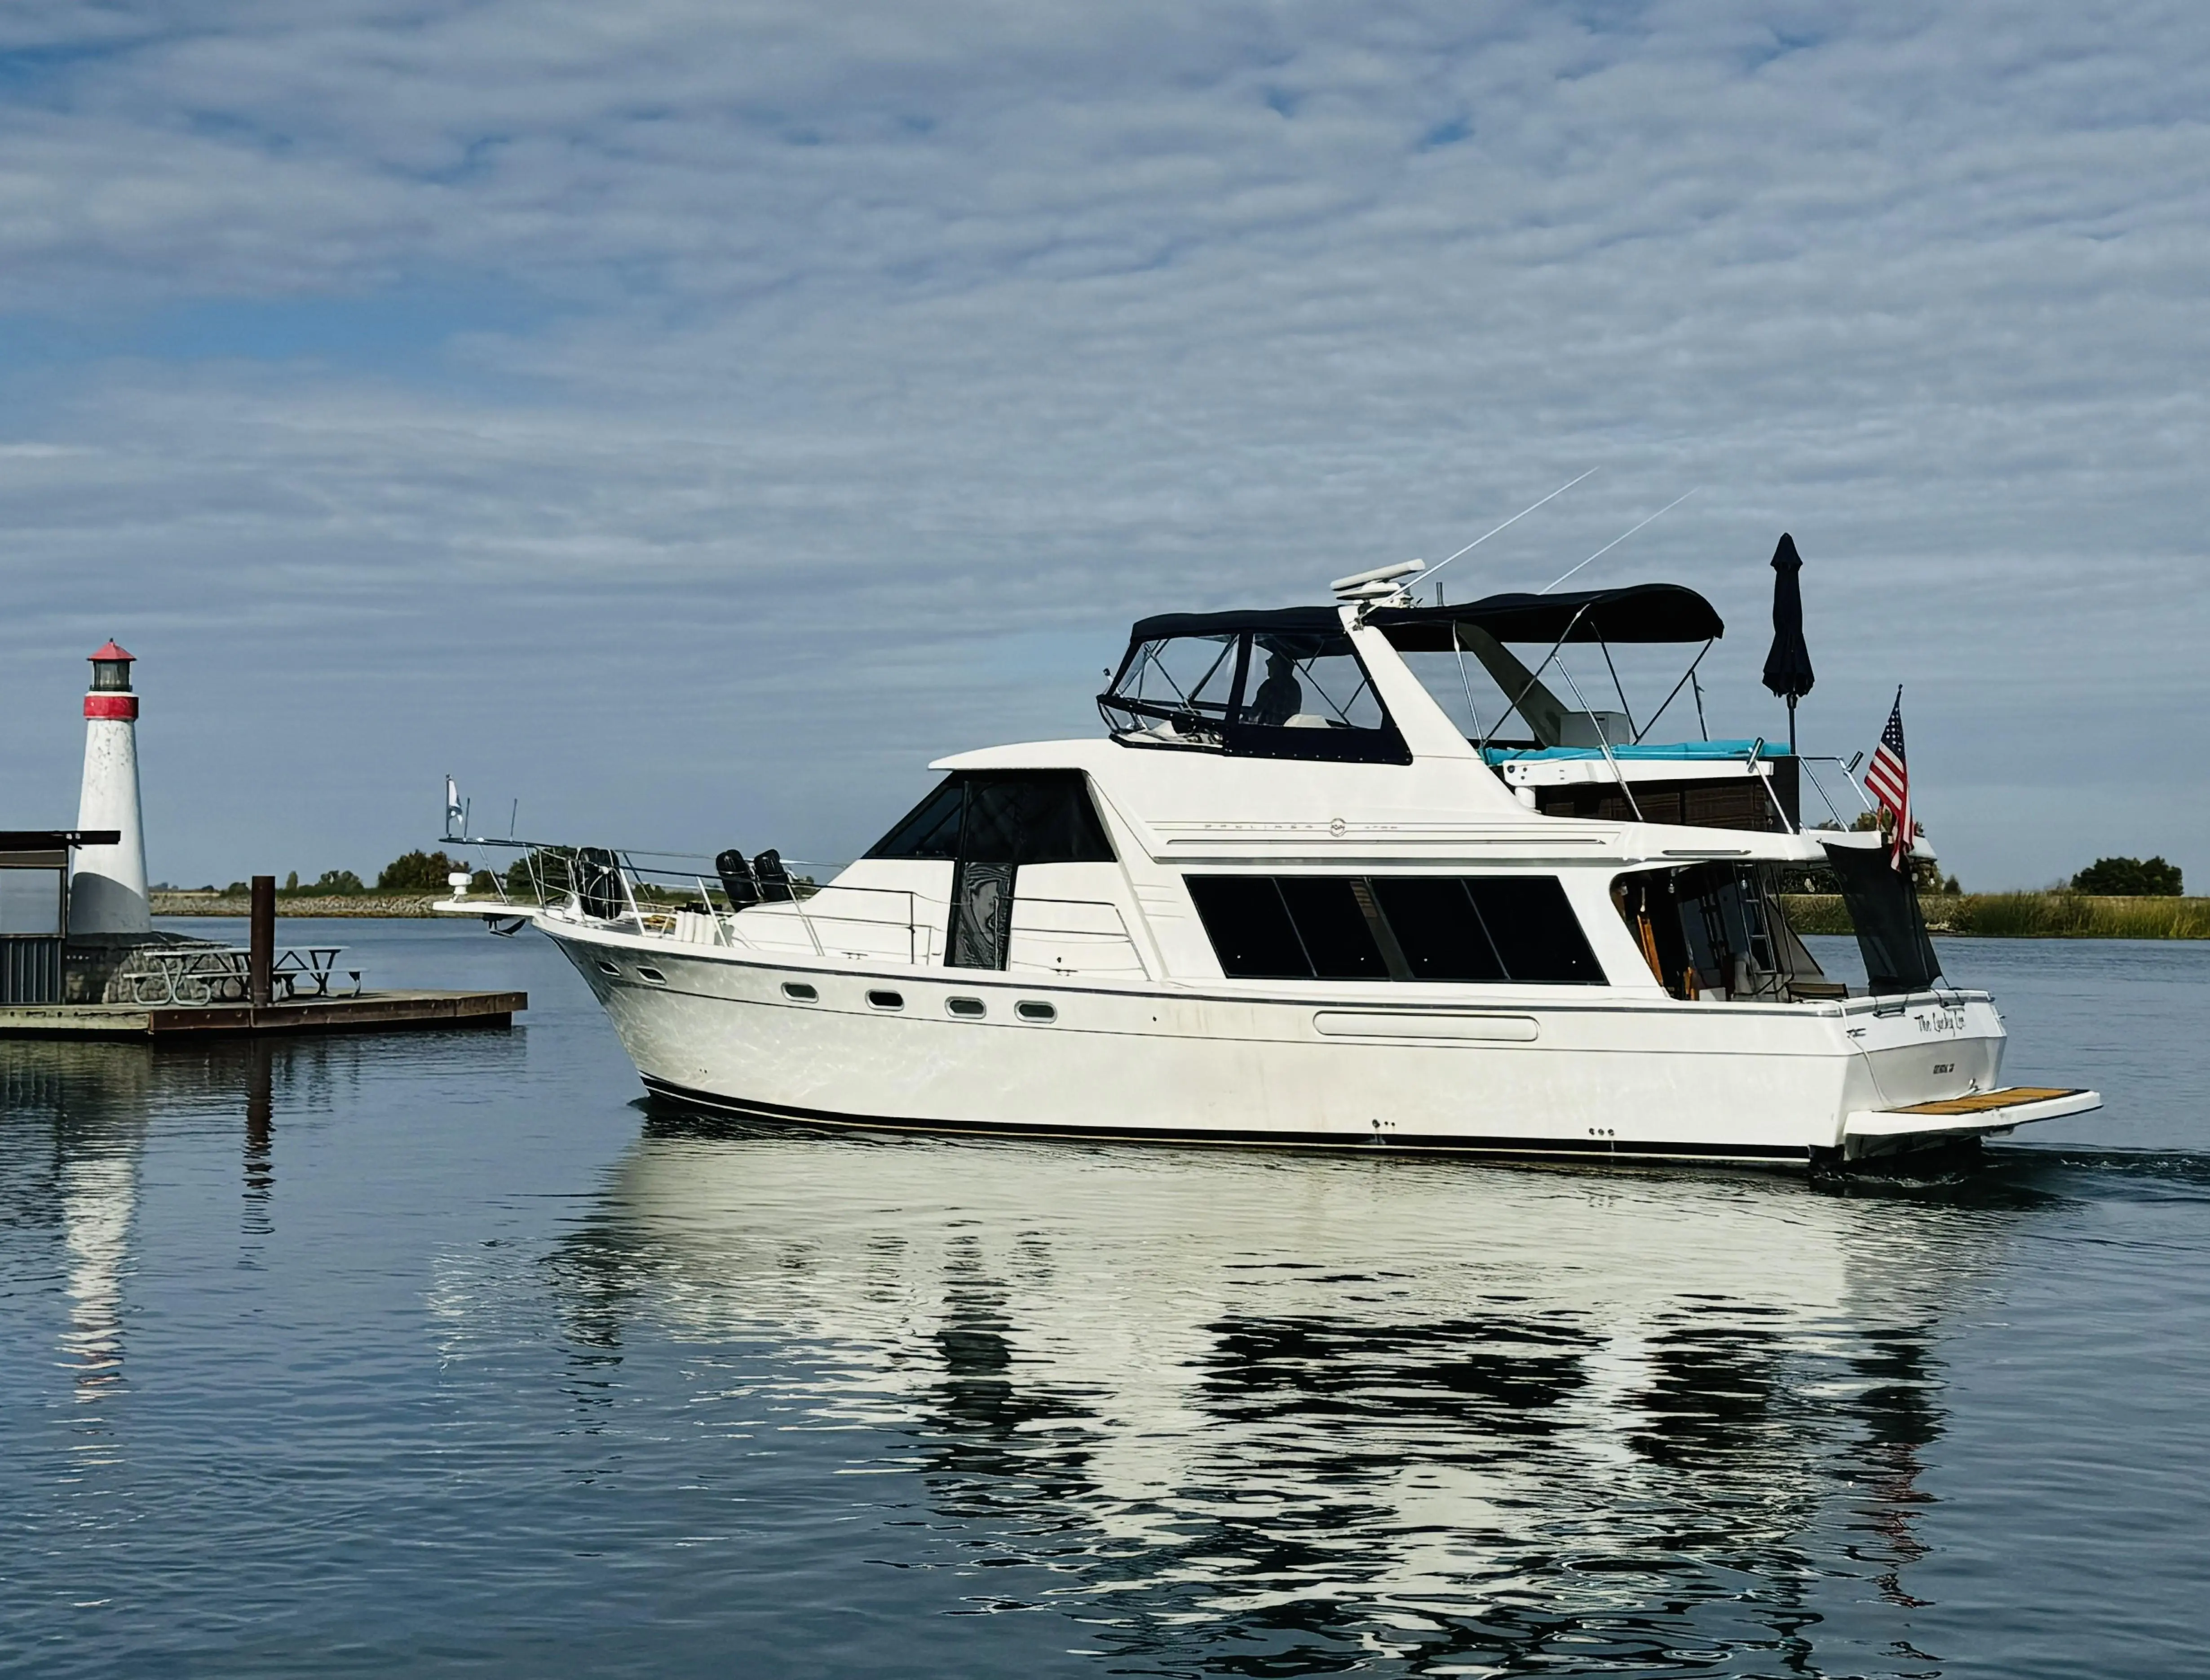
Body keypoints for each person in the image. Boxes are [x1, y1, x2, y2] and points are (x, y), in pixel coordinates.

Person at [1246, 651, 1302, 727]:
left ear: (1279, 666)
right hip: (1287, 733)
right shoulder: (1295, 686)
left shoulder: (1270, 685)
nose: (1269, 666)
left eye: (1272, 663)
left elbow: (1255, 715)